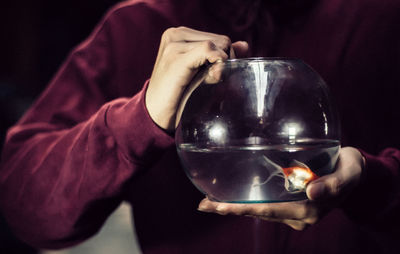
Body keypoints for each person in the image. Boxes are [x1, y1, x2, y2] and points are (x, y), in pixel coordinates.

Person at [1, 0, 400, 253]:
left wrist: (375, 186)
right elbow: (24, 206)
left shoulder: (382, 18)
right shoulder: (135, 26)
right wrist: (139, 118)